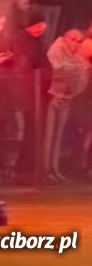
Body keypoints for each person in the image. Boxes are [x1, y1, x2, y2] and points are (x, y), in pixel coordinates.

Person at [44, 27, 89, 182]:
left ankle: (54, 168)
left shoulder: (77, 55)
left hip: (67, 99)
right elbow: (57, 67)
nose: (76, 43)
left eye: (79, 41)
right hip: (53, 98)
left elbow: (81, 69)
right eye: (73, 39)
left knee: (58, 137)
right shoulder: (56, 50)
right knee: (48, 136)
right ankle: (45, 169)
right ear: (65, 38)